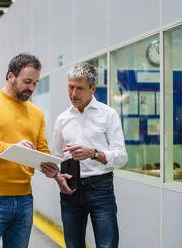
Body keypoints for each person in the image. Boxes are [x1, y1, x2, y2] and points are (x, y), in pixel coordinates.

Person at [0, 53, 53, 248]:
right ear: (11, 76)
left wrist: (54, 170)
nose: (31, 88)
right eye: (27, 81)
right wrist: (10, 148)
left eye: (35, 83)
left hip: (24, 200)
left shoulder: (37, 113)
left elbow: (41, 149)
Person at [41, 63, 128, 248]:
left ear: (93, 89)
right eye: (70, 87)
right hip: (70, 190)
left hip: (101, 189)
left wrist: (93, 153)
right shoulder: (62, 119)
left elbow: (121, 157)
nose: (73, 94)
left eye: (79, 88)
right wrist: (57, 178)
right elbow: (56, 158)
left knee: (107, 245)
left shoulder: (108, 115)